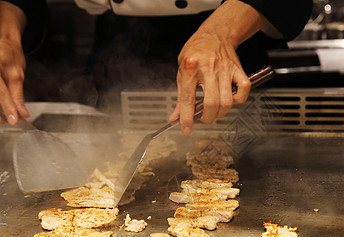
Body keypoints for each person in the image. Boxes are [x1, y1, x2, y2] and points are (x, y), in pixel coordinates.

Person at [0, 0, 312, 135]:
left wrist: (220, 32)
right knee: (109, 140)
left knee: (251, 161)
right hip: (119, 42)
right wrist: (7, 23)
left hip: (235, 32)